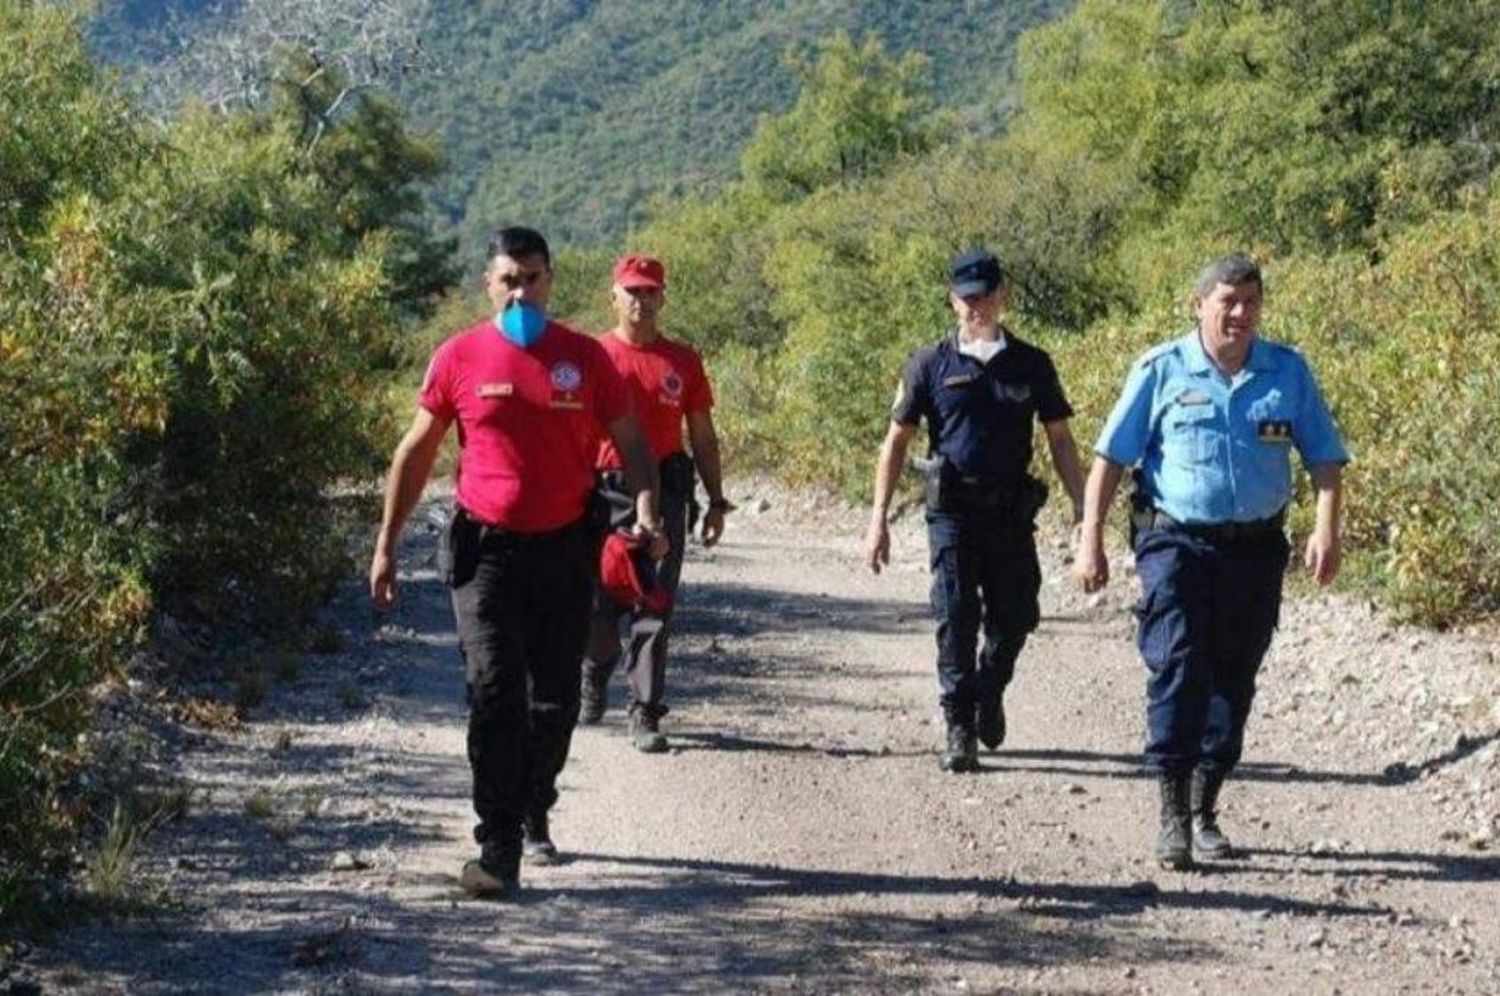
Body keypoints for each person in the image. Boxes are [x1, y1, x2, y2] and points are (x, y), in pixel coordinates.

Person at [369, 226, 666, 897]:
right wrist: (387, 541)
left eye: (532, 278)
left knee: (554, 701)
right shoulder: (459, 356)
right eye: (509, 279)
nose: (520, 291)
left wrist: (646, 511)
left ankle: (535, 802)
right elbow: (415, 453)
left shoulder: (587, 359)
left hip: (565, 548)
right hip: (487, 551)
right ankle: (498, 843)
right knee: (496, 688)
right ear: (489, 283)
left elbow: (632, 442)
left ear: (550, 280)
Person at [1074, 254, 1347, 870]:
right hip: (1177, 542)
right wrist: (1089, 536)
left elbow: (1324, 457)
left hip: (1255, 548)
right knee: (1179, 661)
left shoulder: (1287, 372)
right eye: (1228, 300)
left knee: (1234, 674)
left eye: (1251, 301)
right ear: (1199, 304)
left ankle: (1204, 806)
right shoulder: (1161, 369)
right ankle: (1172, 809)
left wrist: (1326, 527)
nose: (1240, 313)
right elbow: (1110, 460)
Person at [865, 248, 1086, 773]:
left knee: (1018, 615)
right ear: (952, 300)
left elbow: (1060, 439)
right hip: (954, 513)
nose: (975, 307)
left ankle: (990, 685)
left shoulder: (1032, 363)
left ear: (1002, 295)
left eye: (984, 296)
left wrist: (1084, 512)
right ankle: (958, 723)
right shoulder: (929, 364)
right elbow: (896, 442)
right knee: (955, 613)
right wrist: (878, 518)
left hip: (1011, 512)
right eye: (966, 299)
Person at [580, 254, 729, 753]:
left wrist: (715, 499)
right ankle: (595, 670)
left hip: (666, 486)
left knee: (654, 601)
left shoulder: (682, 360)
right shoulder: (592, 355)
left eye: (650, 291)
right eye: (632, 291)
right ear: (614, 297)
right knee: (600, 603)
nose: (641, 301)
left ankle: (645, 710)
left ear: (662, 297)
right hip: (603, 487)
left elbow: (702, 435)